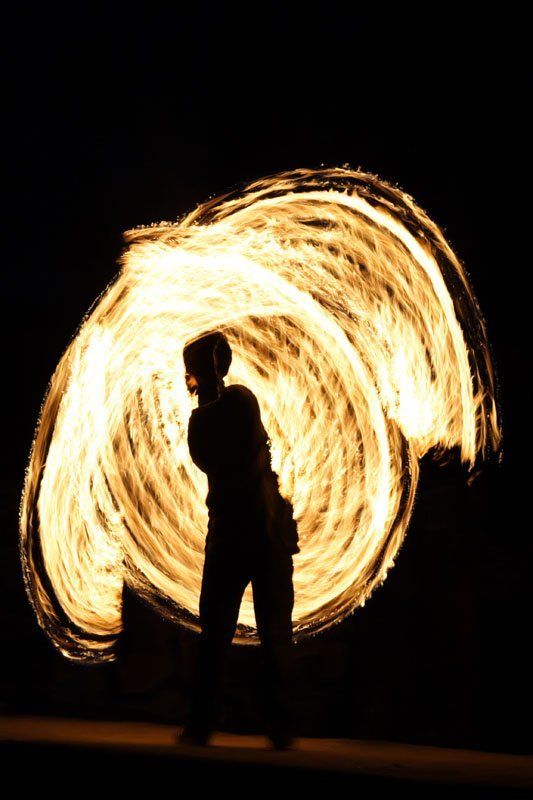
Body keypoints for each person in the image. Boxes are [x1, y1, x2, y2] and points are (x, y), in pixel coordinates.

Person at [177, 330, 299, 750]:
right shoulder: (226, 408)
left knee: (229, 635)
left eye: (190, 373)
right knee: (256, 634)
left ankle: (205, 726)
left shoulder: (226, 409)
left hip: (242, 537)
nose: (188, 382)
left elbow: (220, 456)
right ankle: (270, 727)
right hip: (257, 537)